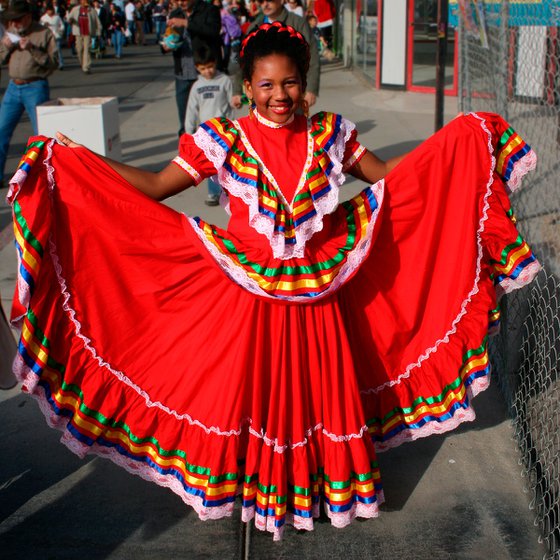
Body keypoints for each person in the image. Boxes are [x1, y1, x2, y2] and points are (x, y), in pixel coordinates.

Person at [9, 22, 540, 540]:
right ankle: (263, 489)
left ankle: (320, 487)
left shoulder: (330, 133)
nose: (279, 95)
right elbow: (153, 185)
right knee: (258, 394)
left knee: (317, 391)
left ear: (303, 81)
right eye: (266, 85)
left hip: (321, 293)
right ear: (247, 88)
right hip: (248, 294)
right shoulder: (222, 139)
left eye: (288, 83)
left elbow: (392, 180)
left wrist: (456, 145)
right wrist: (79, 159)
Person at [0, 0, 58, 188]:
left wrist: (32, 49)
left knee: (40, 135)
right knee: (1, 131)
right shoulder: (11, 34)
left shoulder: (43, 33)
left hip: (35, 86)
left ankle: (43, 176)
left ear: (27, 17)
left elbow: (52, 63)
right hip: (13, 86)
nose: (14, 24)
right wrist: (6, 47)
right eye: (11, 20)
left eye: (17, 19)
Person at [230, 0, 320, 109]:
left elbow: (312, 56)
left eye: (269, 1)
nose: (265, 4)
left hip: (289, 96)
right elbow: (243, 59)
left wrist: (311, 89)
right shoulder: (255, 26)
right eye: (261, 1)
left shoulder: (298, 23)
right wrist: (236, 91)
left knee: (292, 124)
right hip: (262, 97)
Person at [184, 44, 233, 205]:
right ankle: (213, 193)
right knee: (211, 163)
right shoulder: (196, 86)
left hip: (224, 130)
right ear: (198, 68)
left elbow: (232, 103)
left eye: (210, 67)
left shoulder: (225, 81)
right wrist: (188, 130)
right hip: (206, 132)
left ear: (215, 63)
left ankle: (229, 191)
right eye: (203, 68)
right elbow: (191, 108)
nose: (208, 71)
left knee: (226, 163)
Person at [165, 0, 221, 136]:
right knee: (185, 120)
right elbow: (168, 36)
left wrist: (186, 23)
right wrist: (165, 46)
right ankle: (187, 149)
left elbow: (212, 31)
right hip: (183, 72)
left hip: (205, 71)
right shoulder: (175, 13)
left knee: (211, 118)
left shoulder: (209, 10)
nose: (180, 2)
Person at [66, 0, 101, 73]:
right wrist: (70, 20)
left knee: (86, 49)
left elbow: (98, 22)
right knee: (79, 49)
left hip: (88, 33)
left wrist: (98, 32)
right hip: (78, 32)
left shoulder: (92, 10)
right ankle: (83, 63)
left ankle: (86, 67)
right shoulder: (75, 9)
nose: (85, 1)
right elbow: (69, 18)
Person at [40, 2, 65, 68]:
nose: (50, 11)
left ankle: (60, 63)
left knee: (58, 49)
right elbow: (40, 26)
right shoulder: (43, 18)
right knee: (48, 51)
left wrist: (60, 29)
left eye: (51, 10)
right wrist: (44, 24)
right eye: (48, 10)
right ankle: (50, 63)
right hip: (47, 36)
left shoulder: (57, 17)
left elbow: (62, 25)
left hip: (56, 35)